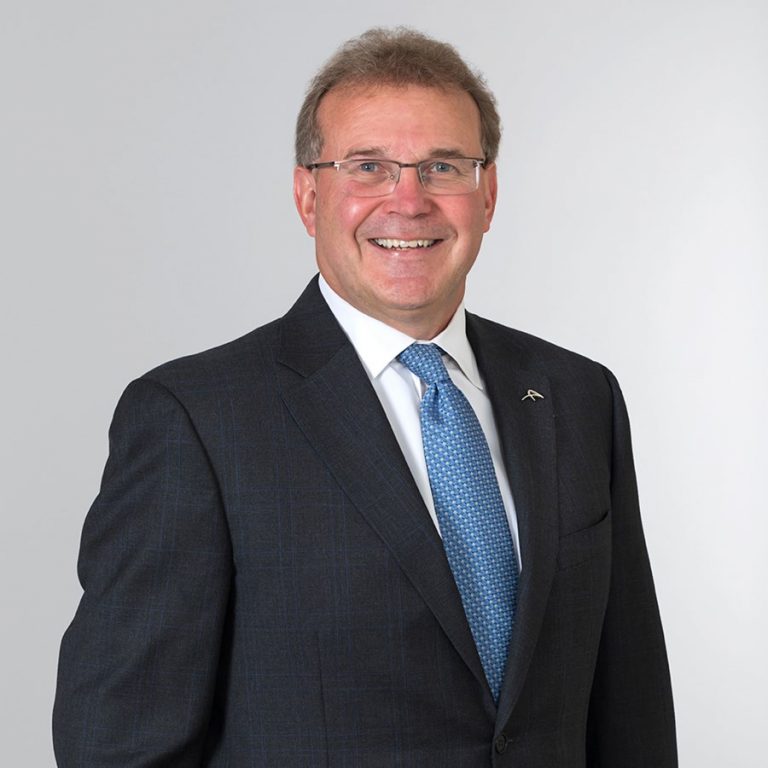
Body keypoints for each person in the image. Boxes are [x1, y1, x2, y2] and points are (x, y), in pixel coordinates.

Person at [53, 27, 677, 767]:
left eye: (442, 166)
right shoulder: (196, 421)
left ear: (487, 195)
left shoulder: (578, 396)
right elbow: (116, 748)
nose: (408, 201)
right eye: (368, 167)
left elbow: (631, 712)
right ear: (308, 195)